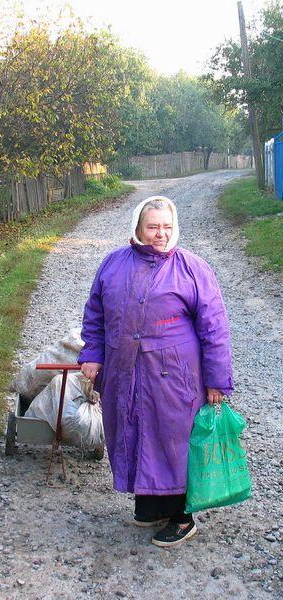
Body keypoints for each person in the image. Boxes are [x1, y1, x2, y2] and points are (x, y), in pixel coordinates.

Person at [77, 195, 234, 548]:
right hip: (125, 368)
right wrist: (93, 353)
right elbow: (95, 314)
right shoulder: (113, 264)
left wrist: (216, 380)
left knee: (172, 438)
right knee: (132, 429)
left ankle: (182, 516)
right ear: (137, 228)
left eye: (166, 227)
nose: (160, 234)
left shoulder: (192, 268)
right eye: (152, 227)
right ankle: (151, 504)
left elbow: (214, 327)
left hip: (174, 374)